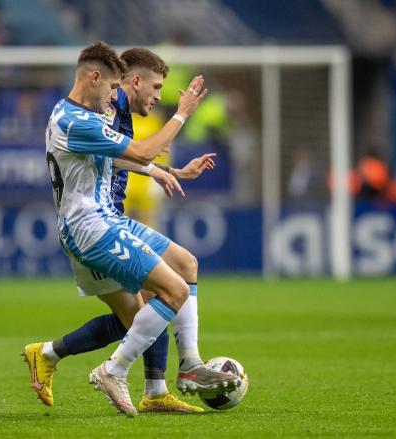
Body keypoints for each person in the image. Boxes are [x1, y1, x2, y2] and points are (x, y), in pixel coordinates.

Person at [24, 42, 237, 417]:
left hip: (107, 219)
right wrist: (182, 115)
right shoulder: (77, 119)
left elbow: (120, 158)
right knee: (164, 297)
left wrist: (165, 170)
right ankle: (113, 370)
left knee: (180, 273)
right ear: (99, 78)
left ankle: (172, 376)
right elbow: (138, 151)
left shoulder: (87, 114)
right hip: (89, 228)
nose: (113, 97)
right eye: (112, 87)